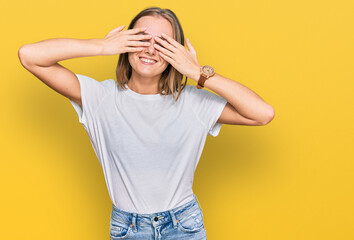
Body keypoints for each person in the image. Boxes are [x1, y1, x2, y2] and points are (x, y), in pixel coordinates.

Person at [18, 6, 274, 240]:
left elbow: (262, 113)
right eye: (141, 39)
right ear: (126, 43)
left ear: (176, 53)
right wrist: (102, 46)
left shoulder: (193, 102)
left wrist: (197, 72)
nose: (150, 49)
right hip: (127, 228)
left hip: (184, 226)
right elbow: (29, 55)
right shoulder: (99, 97)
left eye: (162, 43)